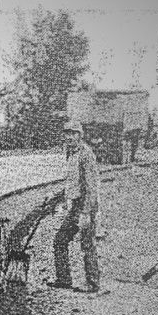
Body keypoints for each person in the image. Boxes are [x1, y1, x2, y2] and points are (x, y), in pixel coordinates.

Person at [48, 120, 101, 293]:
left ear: (80, 135)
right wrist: (56, 198)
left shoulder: (86, 154)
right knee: (60, 240)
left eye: (73, 133)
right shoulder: (70, 153)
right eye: (67, 133)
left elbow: (91, 186)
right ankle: (64, 279)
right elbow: (72, 183)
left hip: (86, 204)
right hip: (76, 204)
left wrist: (85, 213)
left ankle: (92, 283)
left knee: (87, 244)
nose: (69, 137)